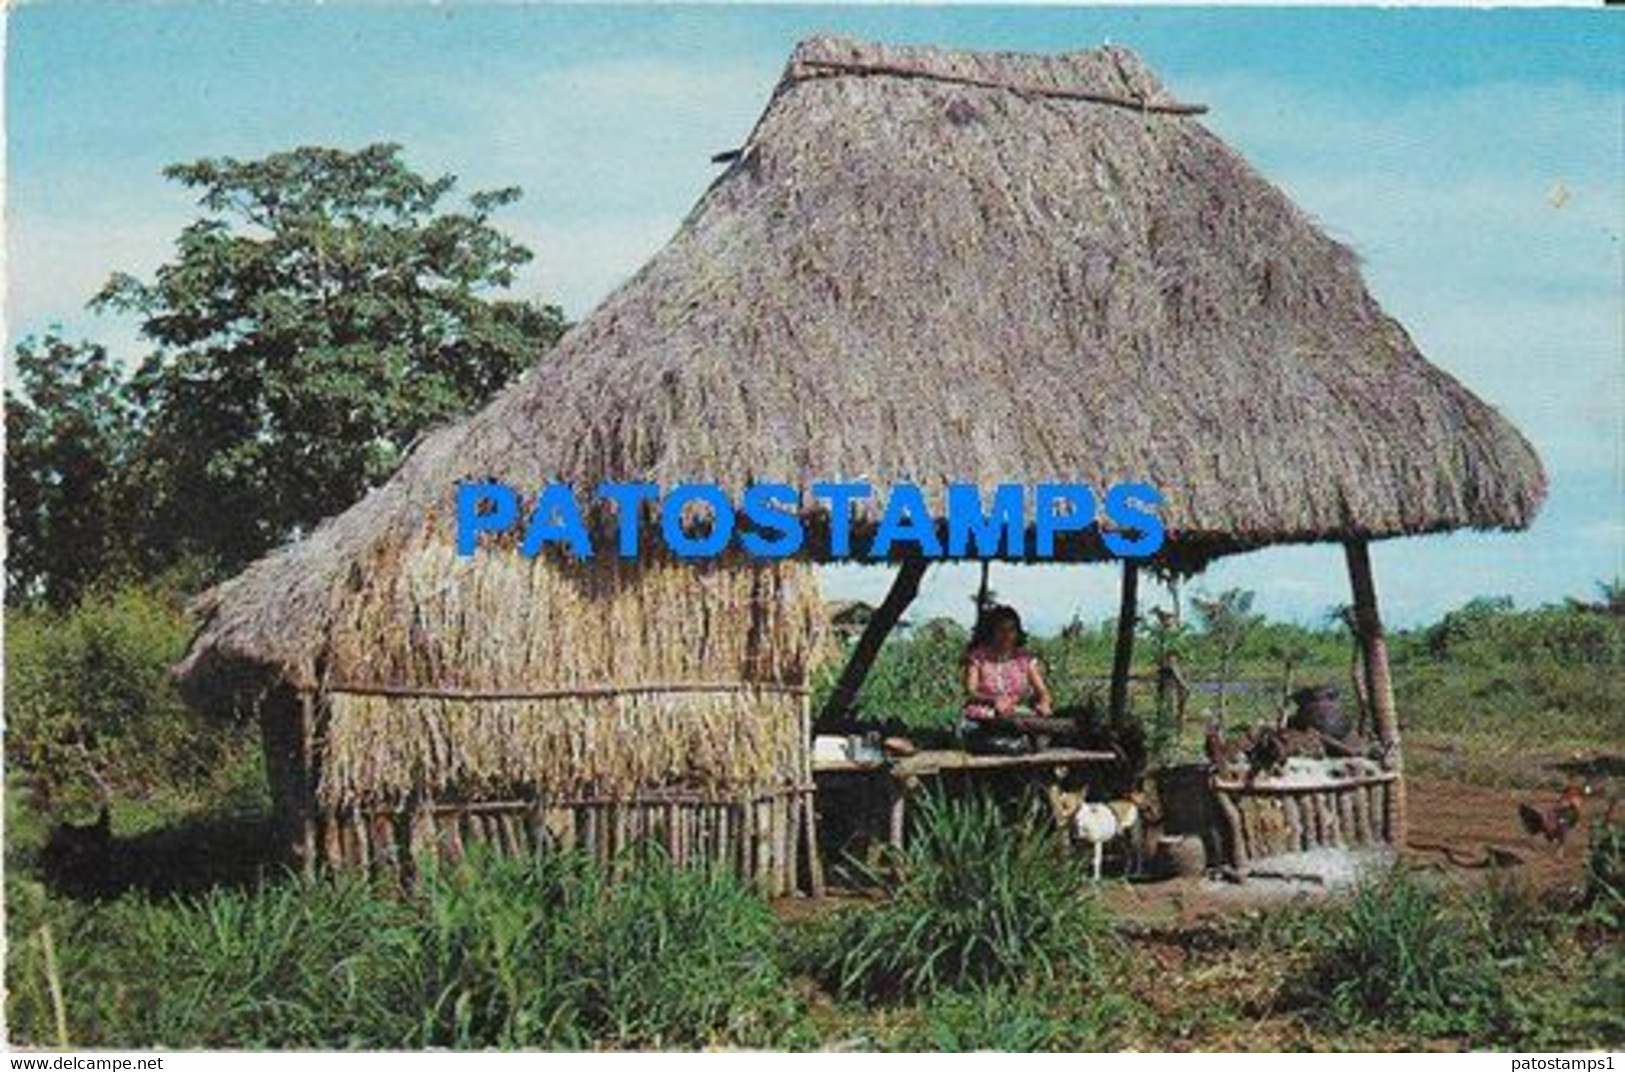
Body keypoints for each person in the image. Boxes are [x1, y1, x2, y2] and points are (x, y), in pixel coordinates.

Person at [962, 604, 1054, 724]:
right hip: (981, 715)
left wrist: (1044, 703)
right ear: (992, 631)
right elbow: (970, 692)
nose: (1006, 635)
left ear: (1017, 632)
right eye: (1001, 630)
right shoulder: (978, 658)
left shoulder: (1025, 659)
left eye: (1011, 630)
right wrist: (993, 701)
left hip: (1014, 714)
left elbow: (1042, 691)